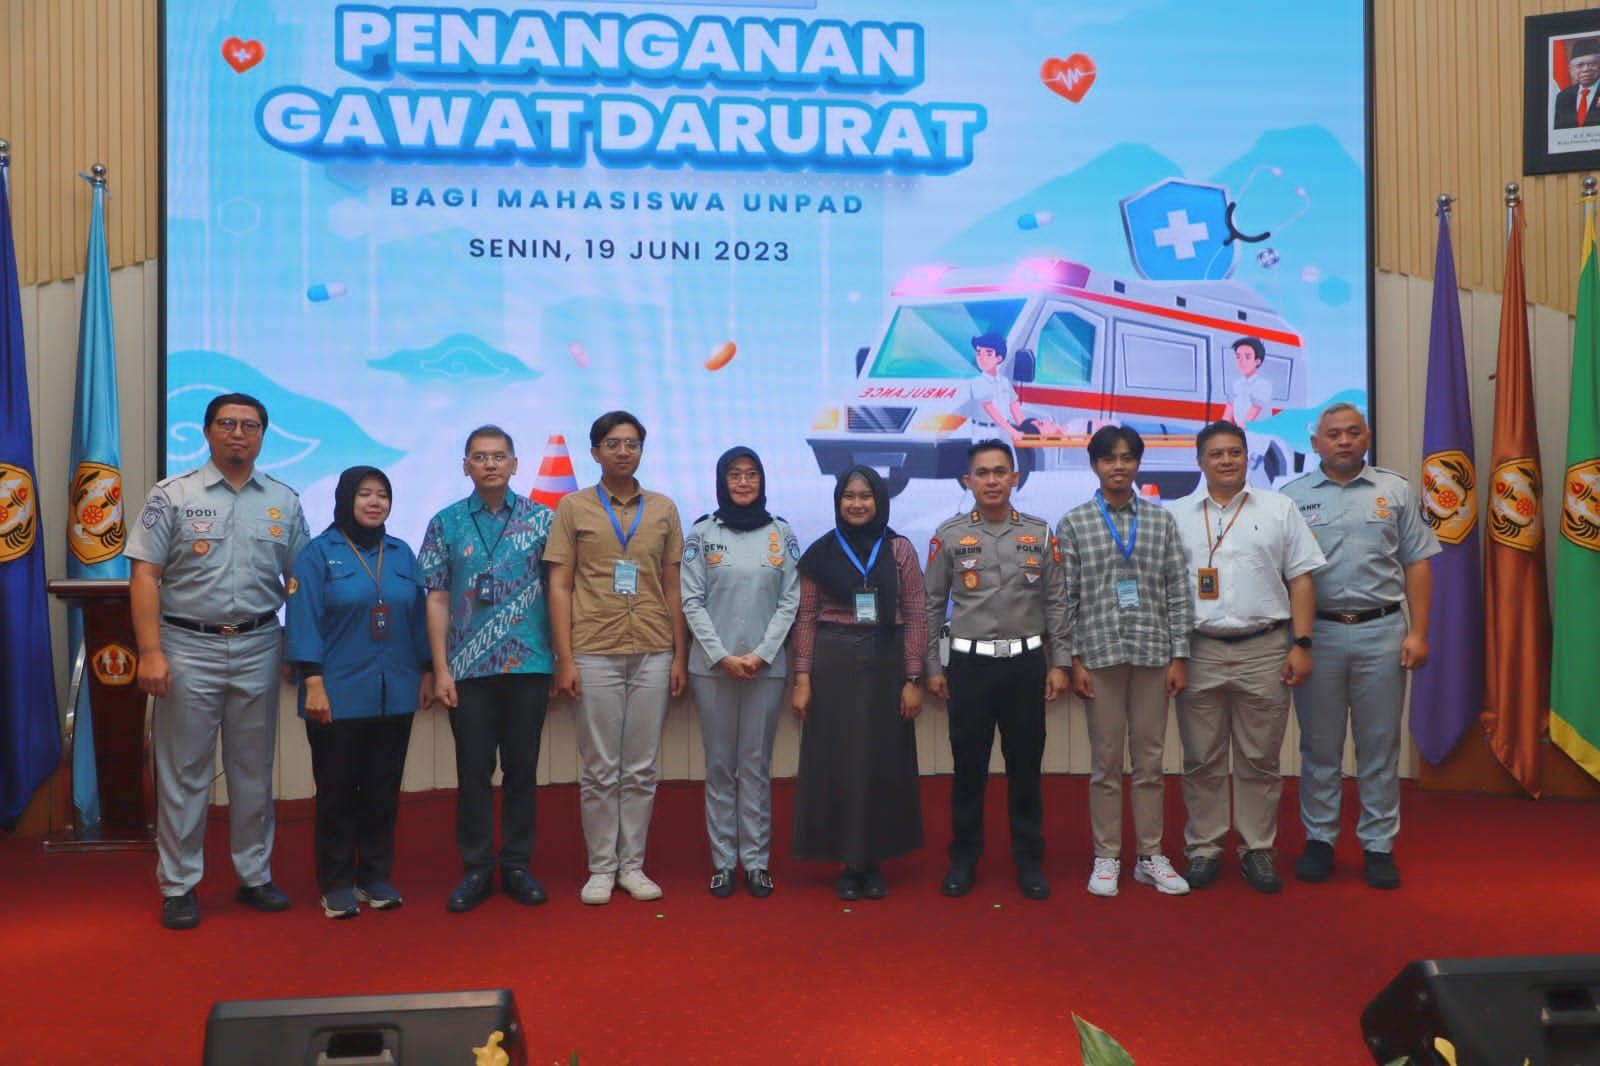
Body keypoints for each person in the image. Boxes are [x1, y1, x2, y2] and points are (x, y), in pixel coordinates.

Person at [127, 392, 308, 930]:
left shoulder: (284, 500)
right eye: (227, 424)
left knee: (254, 770)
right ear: (206, 432)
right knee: (185, 772)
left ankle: (255, 875)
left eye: (250, 426)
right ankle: (180, 884)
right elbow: (145, 576)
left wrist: (298, 650)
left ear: (262, 436)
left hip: (259, 645)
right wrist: (151, 652)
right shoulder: (173, 496)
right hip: (186, 648)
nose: (238, 433)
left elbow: (299, 581)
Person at [1280, 404, 1438, 890]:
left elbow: (1417, 564)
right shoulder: (1290, 498)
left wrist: (1418, 633)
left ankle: (1377, 845)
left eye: (1352, 432)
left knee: (1379, 746)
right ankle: (1320, 840)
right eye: (1333, 434)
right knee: (1320, 746)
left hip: (1382, 633)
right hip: (1317, 636)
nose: (1343, 441)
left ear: (1367, 436)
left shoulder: (1395, 491)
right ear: (1316, 444)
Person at [1169, 421, 1324, 894]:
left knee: (1259, 758)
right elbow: (1168, 591)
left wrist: (1301, 644)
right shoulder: (1175, 516)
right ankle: (1205, 849)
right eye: (1216, 454)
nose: (1227, 461)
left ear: (1247, 458)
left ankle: (1258, 849)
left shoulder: (1279, 509)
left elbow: (1300, 579)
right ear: (1200, 461)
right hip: (1199, 651)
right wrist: (1173, 655)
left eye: (1235, 452)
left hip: (1265, 648)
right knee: (1201, 758)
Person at [547, 411, 688, 906]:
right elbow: (560, 585)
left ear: (642, 450)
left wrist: (679, 655)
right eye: (612, 443)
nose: (623, 451)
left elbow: (674, 586)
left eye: (631, 443)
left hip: (653, 647)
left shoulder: (664, 509)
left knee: (641, 767)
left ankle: (633, 866)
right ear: (595, 452)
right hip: (594, 649)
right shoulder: (573, 508)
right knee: (601, 767)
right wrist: (565, 658)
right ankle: (601, 868)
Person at [417, 426, 556, 914]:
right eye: (480, 457)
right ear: (466, 466)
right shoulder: (446, 523)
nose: (491, 464)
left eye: (499, 457)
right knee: (473, 771)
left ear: (515, 464)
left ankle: (517, 864)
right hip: (466, 670)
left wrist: (561, 660)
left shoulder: (543, 520)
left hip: (530, 666)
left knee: (522, 770)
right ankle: (476, 867)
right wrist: (440, 669)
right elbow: (435, 597)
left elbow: (560, 594)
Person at [923, 440, 1068, 901]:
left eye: (999, 472)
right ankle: (963, 858)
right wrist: (932, 664)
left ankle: (1028, 860)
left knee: (1025, 767)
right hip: (969, 666)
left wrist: (1060, 662)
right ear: (968, 481)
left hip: (1025, 665)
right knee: (969, 768)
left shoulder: (1040, 534)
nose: (991, 480)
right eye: (981, 473)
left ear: (1015, 478)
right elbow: (930, 605)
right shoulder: (948, 536)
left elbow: (1057, 602)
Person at [286, 466, 432, 919]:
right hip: (335, 693)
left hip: (395, 690)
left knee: (383, 788)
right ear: (346, 498)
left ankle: (374, 875)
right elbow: (303, 618)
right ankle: (335, 882)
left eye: (382, 495)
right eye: (365, 494)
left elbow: (417, 615)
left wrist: (427, 670)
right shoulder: (317, 554)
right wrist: (312, 681)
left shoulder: (402, 552)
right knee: (336, 791)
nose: (374, 502)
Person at [1058, 426, 1194, 898]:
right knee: (1106, 764)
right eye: (1109, 459)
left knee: (1152, 762)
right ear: (1094, 465)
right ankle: (1107, 856)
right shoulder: (1074, 523)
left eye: (1128, 458)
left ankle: (1151, 856)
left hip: (1154, 654)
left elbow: (1178, 589)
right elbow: (1065, 598)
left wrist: (1181, 655)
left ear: (1138, 463)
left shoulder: (1160, 521)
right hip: (1099, 656)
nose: (1119, 466)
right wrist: (1071, 658)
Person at [791, 466, 928, 901]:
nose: (856, 503)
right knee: (838, 760)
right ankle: (847, 863)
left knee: (881, 760)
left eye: (865, 495)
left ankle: (874, 860)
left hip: (887, 661)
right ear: (837, 501)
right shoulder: (819, 553)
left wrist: (912, 677)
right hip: (833, 662)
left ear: (880, 500)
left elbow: (917, 613)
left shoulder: (900, 550)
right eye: (848, 495)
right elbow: (806, 618)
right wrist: (802, 679)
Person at [680, 447, 801, 898]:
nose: (744, 482)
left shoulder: (781, 532)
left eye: (752, 474)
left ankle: (756, 862)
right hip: (713, 670)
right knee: (718, 766)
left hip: (764, 670)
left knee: (754, 766)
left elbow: (791, 599)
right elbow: (691, 599)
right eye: (735, 475)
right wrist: (723, 656)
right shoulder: (702, 534)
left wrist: (761, 654)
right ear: (722, 481)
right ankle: (722, 863)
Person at [1220, 337, 1273, 426]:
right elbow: (1228, 413)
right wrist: (1222, 430)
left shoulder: (1263, 385)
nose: (1241, 361)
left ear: (1257, 361)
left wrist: (1235, 434)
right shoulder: (1236, 384)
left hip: (1257, 435)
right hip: (1240, 434)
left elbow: (1250, 418)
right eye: (1238, 356)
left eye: (1247, 357)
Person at [1554, 42, 1600, 129]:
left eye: (1592, 64)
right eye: (1580, 65)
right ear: (1570, 70)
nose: (1586, 69)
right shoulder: (1563, 97)